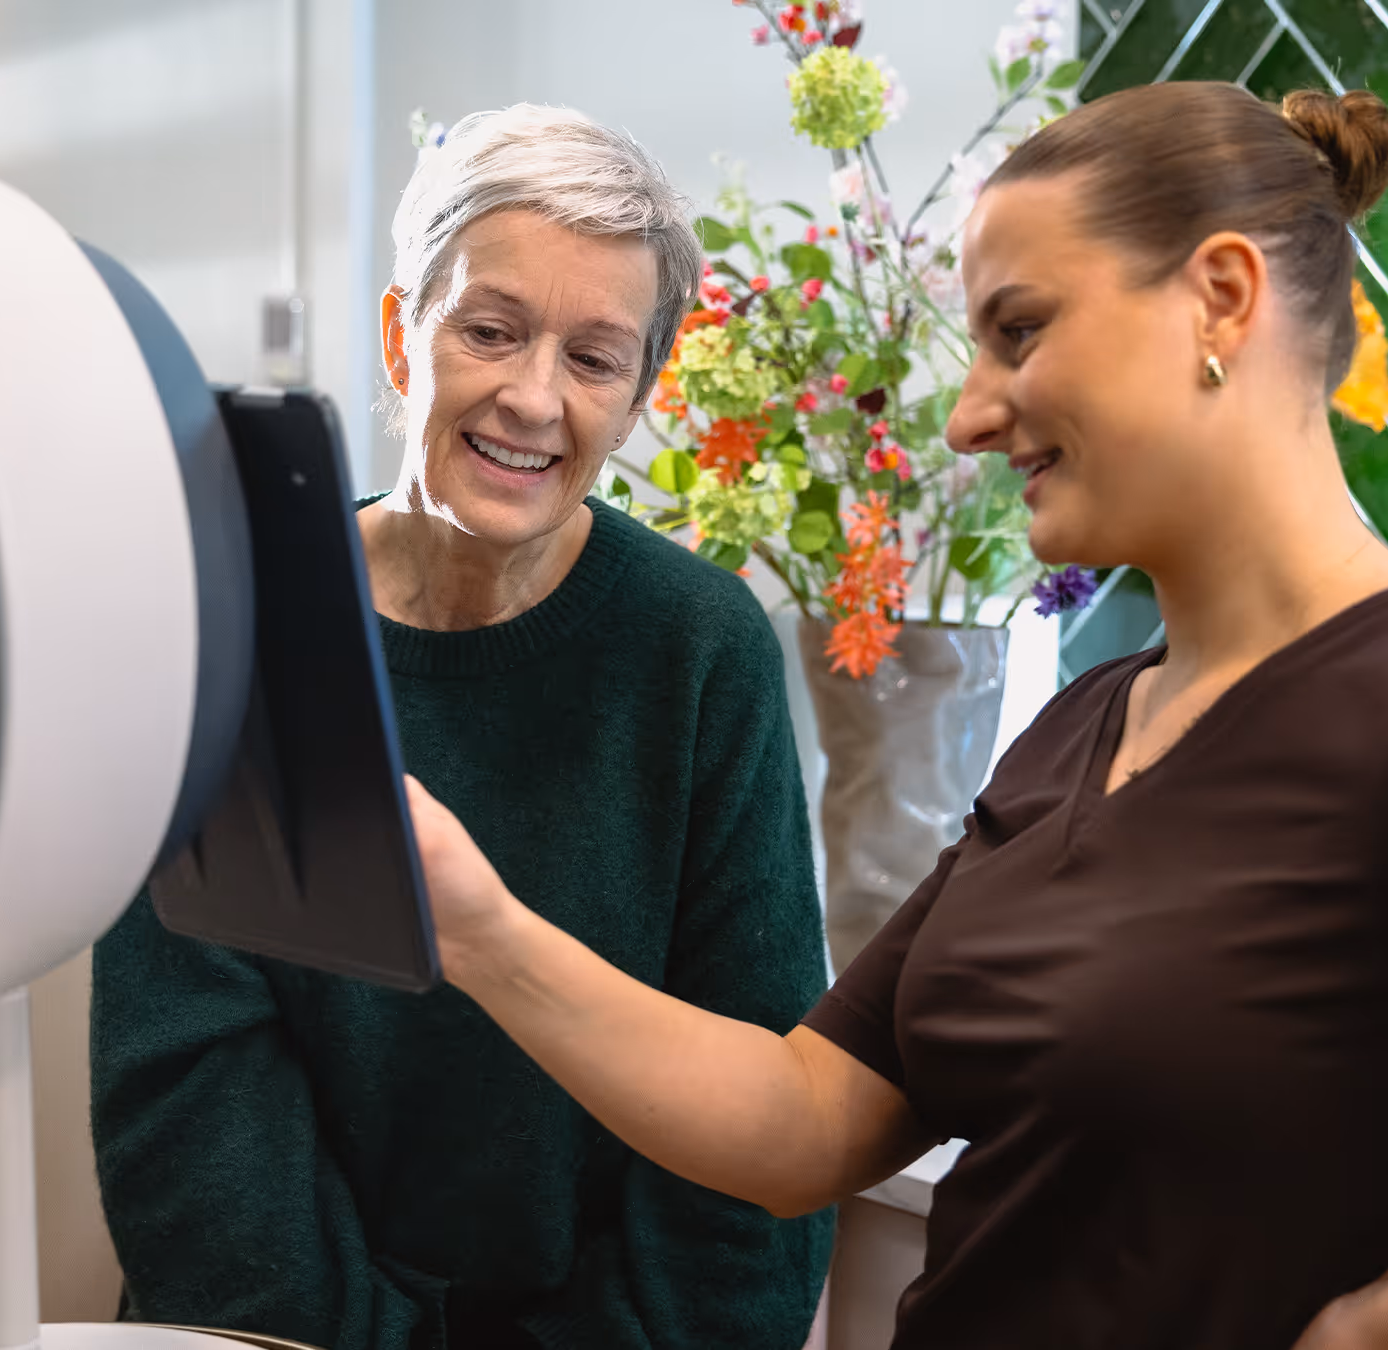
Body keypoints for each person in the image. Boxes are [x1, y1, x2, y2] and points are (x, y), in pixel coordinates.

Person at [396, 82, 1388, 1350]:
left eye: (1018, 331)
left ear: (1221, 298)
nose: (969, 415)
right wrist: (479, 925)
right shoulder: (1093, 719)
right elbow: (806, 1122)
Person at [91, 104, 834, 1350]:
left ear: (639, 396)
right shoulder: (239, 617)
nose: (534, 398)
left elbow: (754, 1151)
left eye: (594, 359)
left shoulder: (702, 650)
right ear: (402, 335)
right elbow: (189, 1105)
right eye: (490, 331)